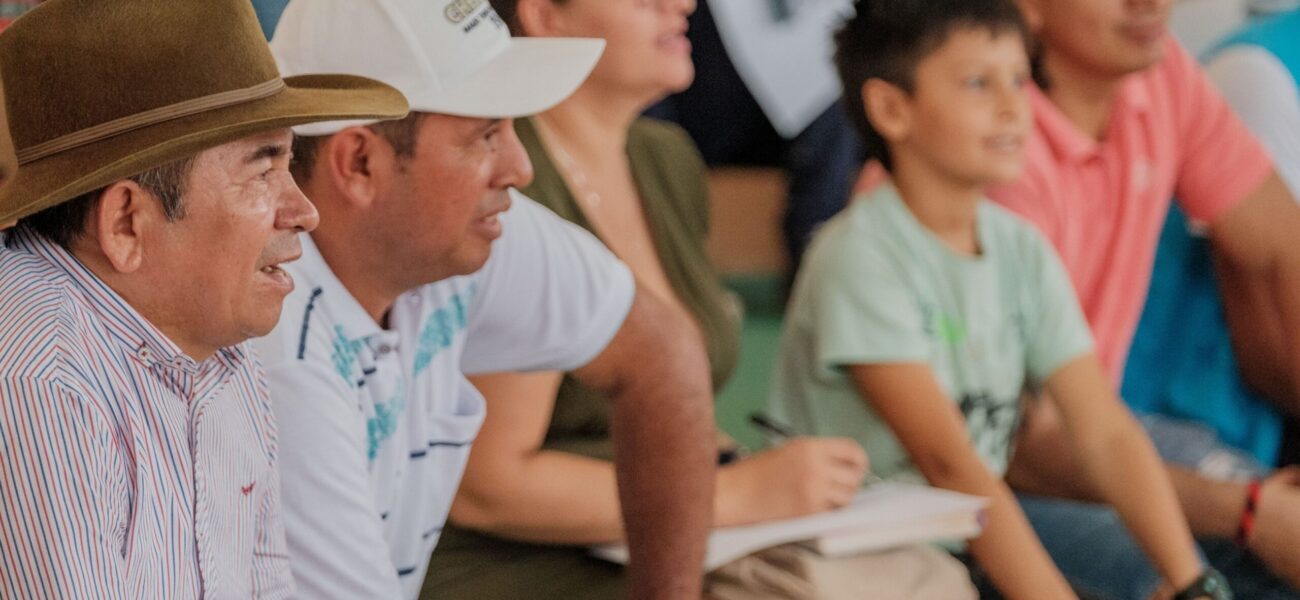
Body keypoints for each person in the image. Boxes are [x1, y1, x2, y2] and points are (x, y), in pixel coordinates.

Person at [423, 1, 974, 598]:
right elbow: (487, 488)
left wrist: (746, 471)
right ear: (544, 15)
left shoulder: (664, 157)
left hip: (666, 536)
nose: (682, 3)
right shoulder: (510, 177)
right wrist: (735, 493)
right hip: (521, 565)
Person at [258, 1, 717, 598]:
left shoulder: (449, 232)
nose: (519, 168)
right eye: (485, 136)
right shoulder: (279, 358)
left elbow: (661, 352)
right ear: (360, 163)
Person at [773, 0, 1219, 598]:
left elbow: (1105, 432)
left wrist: (1192, 582)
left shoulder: (1020, 249)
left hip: (960, 537)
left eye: (1019, 79)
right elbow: (949, 464)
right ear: (892, 109)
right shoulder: (861, 255)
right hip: (851, 555)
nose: (1013, 106)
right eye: (978, 84)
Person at [0, 0, 407, 597]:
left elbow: (267, 586)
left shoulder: (219, 348)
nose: (304, 212)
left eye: (288, 165)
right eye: (263, 172)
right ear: (127, 223)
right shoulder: (43, 377)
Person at [982, 0, 1300, 595]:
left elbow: (1284, 243)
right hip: (989, 478)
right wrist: (1247, 514)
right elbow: (1014, 445)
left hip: (1104, 430)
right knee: (1187, 573)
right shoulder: (991, 147)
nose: (1151, 4)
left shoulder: (1158, 70)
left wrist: (1255, 510)